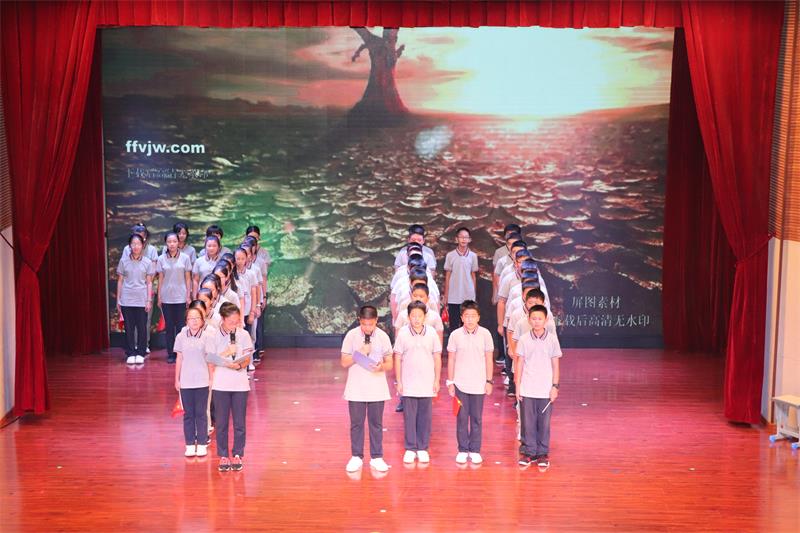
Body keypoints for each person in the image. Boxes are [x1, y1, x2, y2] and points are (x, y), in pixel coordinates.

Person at [340, 305, 393, 473]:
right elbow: (344, 362)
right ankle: (356, 456)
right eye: (364, 324)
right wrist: (359, 353)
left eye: (371, 324)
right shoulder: (351, 335)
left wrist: (381, 367)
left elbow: (390, 363)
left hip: (377, 387)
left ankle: (377, 457)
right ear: (359, 321)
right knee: (356, 423)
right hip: (356, 387)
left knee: (376, 423)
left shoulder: (383, 336)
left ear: (376, 320)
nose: (367, 328)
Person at [207, 302, 254, 472]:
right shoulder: (213, 335)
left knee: (239, 422)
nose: (235, 325)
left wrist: (240, 365)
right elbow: (210, 358)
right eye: (231, 322)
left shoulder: (243, 334)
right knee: (221, 423)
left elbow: (247, 357)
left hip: (240, 384)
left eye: (237, 321)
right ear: (223, 319)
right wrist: (227, 358)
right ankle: (223, 455)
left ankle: (238, 454)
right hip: (221, 384)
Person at [394, 301, 442, 464]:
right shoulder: (402, 333)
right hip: (408, 382)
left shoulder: (432, 333)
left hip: (427, 382)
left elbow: (437, 356)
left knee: (425, 417)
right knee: (409, 416)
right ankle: (410, 448)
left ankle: (422, 448)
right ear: (408, 317)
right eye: (413, 316)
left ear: (425, 317)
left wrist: (437, 379)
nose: (416, 319)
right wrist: (399, 381)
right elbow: (398, 357)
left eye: (419, 316)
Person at [446, 300, 494, 464]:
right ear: (461, 318)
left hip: (479, 384)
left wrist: (489, 381)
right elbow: (451, 359)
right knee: (461, 418)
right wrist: (450, 382)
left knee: (476, 418)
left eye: (473, 316)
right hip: (460, 384)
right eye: (467, 316)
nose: (470, 319)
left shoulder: (485, 334)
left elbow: (489, 359)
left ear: (478, 317)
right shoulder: (455, 335)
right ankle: (462, 449)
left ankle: (474, 449)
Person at [515, 305, 561, 468]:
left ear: (546, 320)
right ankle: (529, 453)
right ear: (529, 320)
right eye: (533, 318)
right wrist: (518, 386)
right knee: (528, 423)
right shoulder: (524, 339)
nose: (536, 321)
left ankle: (542, 453)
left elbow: (555, 364)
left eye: (540, 318)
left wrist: (555, 386)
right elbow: (519, 363)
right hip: (527, 388)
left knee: (544, 423)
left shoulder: (552, 339)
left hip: (545, 390)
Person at [174, 306, 214, 457]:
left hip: (202, 381)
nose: (194, 321)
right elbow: (179, 358)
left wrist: (211, 378)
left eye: (197, 318)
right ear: (186, 321)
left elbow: (210, 360)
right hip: (186, 382)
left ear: (202, 320)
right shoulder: (181, 336)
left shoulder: (207, 337)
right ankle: (190, 444)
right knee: (188, 415)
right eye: (191, 318)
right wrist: (177, 379)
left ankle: (202, 443)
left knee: (201, 414)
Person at [116, 233, 155, 365]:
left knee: (142, 328)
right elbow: (120, 281)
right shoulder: (123, 261)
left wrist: (148, 300)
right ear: (130, 246)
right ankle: (131, 352)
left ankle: (141, 353)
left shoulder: (147, 262)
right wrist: (118, 299)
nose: (136, 246)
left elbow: (149, 282)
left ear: (142, 245)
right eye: (133, 244)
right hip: (127, 299)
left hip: (142, 299)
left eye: (138, 244)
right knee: (129, 327)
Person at [157, 231, 193, 364]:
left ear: (178, 243)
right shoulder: (161, 259)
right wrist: (159, 296)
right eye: (169, 242)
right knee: (169, 328)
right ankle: (171, 354)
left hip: (181, 297)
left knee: (181, 327)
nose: (172, 244)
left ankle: (181, 353)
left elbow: (188, 279)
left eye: (174, 241)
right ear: (166, 243)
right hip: (166, 298)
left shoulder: (185, 258)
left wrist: (188, 296)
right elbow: (160, 279)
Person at [443, 227, 479, 331]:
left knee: (468, 323)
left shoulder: (473, 256)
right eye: (461, 237)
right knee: (454, 324)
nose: (463, 239)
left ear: (469, 239)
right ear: (456, 239)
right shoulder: (450, 255)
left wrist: (473, 293)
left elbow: (473, 275)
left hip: (468, 295)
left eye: (466, 237)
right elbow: (448, 275)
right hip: (453, 295)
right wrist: (446, 295)